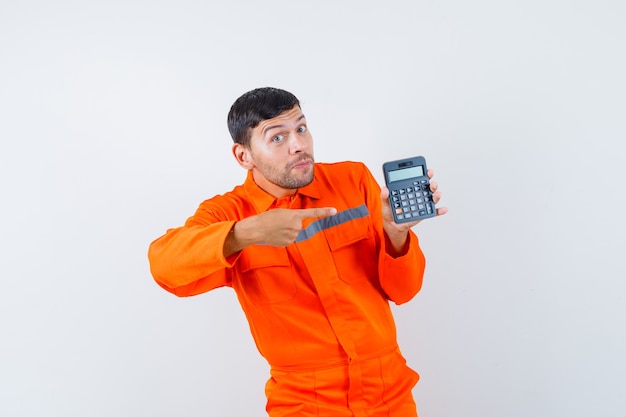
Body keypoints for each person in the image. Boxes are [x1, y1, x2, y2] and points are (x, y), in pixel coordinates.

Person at [148, 87, 447, 417]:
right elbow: (164, 265)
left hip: (389, 393)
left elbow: (404, 291)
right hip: (305, 403)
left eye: (301, 129)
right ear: (243, 155)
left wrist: (396, 232)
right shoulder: (229, 212)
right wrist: (248, 232)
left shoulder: (353, 180)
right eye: (277, 137)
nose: (299, 145)